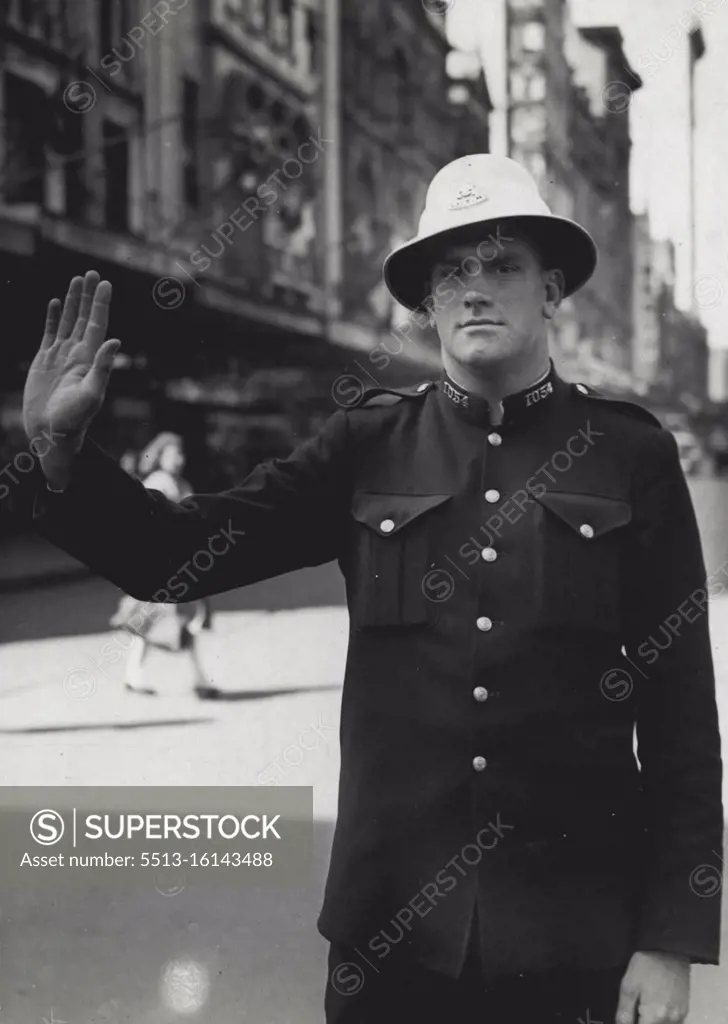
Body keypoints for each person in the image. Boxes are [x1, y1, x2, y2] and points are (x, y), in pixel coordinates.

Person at [22, 154, 723, 1023]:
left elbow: (682, 714)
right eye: (451, 272)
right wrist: (61, 458)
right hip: (391, 945)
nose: (475, 290)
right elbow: (177, 557)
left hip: (574, 945)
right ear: (426, 305)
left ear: (551, 290)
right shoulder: (365, 446)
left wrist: (670, 940)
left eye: (502, 265)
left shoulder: (633, 456)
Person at [108, 432, 217, 699]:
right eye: (173, 454)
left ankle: (191, 678)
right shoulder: (158, 482)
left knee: (159, 623)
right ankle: (197, 680)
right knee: (163, 622)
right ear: (160, 456)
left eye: (181, 455)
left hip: (176, 563)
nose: (179, 460)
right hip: (162, 563)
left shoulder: (181, 483)